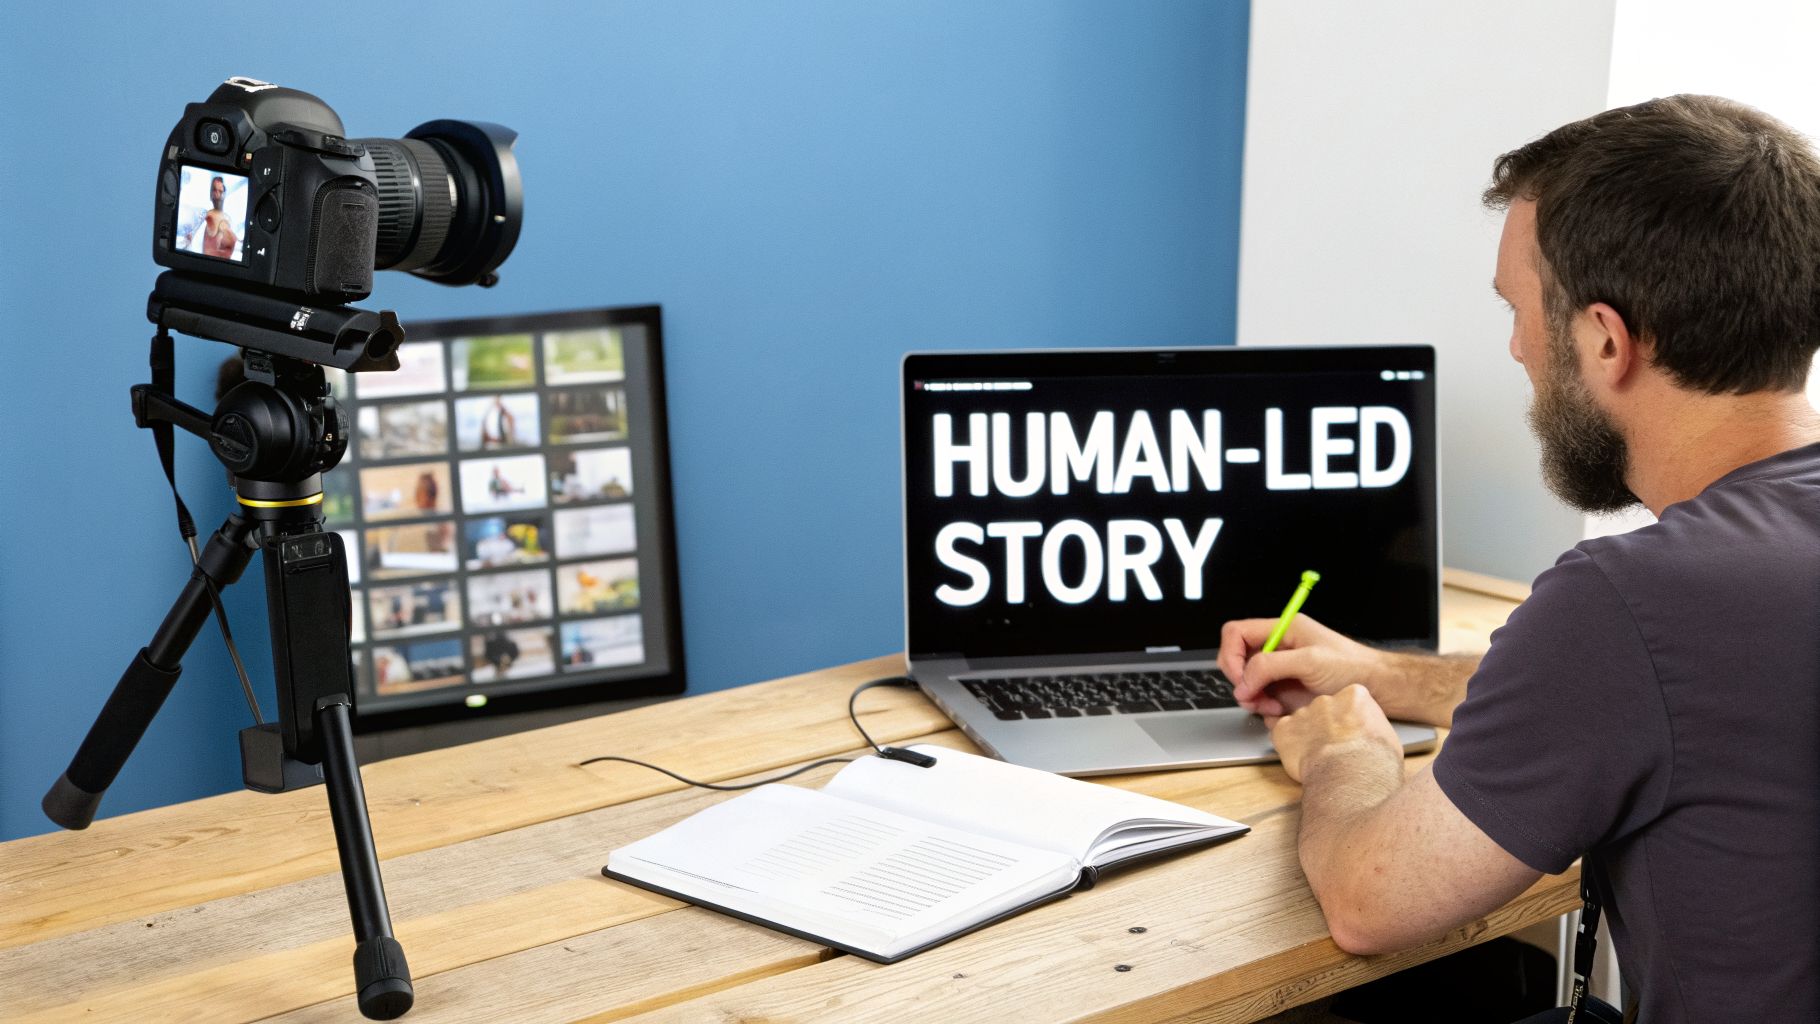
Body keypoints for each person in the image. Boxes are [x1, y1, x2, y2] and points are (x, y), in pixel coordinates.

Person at [1218, 95, 1820, 1021]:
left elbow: (1370, 900)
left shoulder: (1635, 600)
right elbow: (1684, 705)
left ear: (1606, 340)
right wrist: (1389, 675)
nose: (1514, 348)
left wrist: (1346, 751)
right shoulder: (1724, 596)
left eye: (1519, 309)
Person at [179, 175, 238, 259]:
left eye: (220, 191)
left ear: (224, 193)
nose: (217, 194)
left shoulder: (228, 220)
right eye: (214, 190)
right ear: (211, 194)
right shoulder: (204, 216)